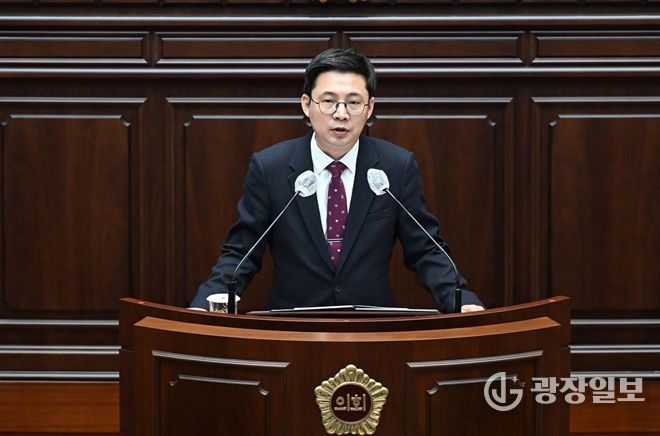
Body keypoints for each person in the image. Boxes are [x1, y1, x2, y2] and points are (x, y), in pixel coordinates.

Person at [189, 48, 484, 313]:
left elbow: (426, 250)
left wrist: (461, 300)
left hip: (371, 327)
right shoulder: (271, 168)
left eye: (353, 103)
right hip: (292, 329)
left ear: (369, 108)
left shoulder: (396, 167)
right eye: (329, 101)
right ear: (306, 104)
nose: (341, 114)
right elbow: (242, 251)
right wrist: (207, 303)